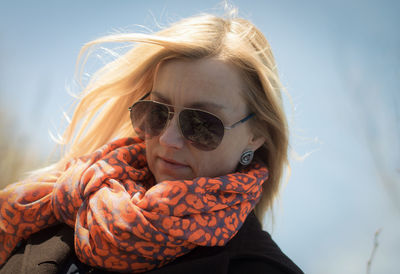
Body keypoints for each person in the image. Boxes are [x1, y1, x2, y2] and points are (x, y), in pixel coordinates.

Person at [0, 10, 304, 274]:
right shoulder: (72, 195)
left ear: (256, 135)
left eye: (200, 124)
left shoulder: (258, 269)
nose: (168, 139)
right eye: (158, 112)